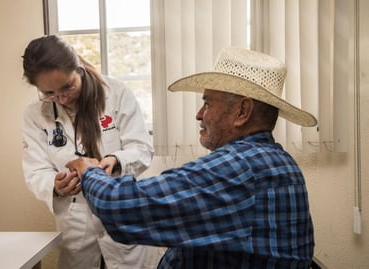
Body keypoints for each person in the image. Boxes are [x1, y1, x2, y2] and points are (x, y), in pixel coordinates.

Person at [66, 47, 316, 268]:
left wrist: (88, 169)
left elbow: (119, 206)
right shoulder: (277, 162)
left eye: (207, 104)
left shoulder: (239, 167)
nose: (199, 114)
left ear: (242, 111)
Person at [21, 35, 162, 269]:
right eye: (50, 94)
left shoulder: (115, 93)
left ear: (78, 67)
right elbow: (36, 171)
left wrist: (115, 160)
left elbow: (142, 148)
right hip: (77, 230)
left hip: (123, 218)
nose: (62, 98)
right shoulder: (35, 115)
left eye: (67, 87)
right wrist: (55, 185)